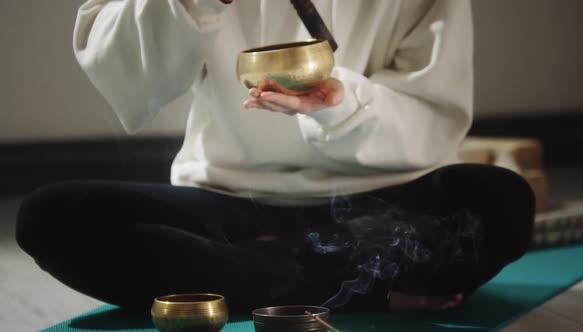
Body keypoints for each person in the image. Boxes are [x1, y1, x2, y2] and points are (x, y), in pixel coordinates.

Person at [16, 0, 534, 313]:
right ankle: (340, 285)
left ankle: (250, 278)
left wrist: (341, 106)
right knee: (53, 216)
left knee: (502, 203)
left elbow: (435, 115)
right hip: (227, 204)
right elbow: (120, 72)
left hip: (378, 211)